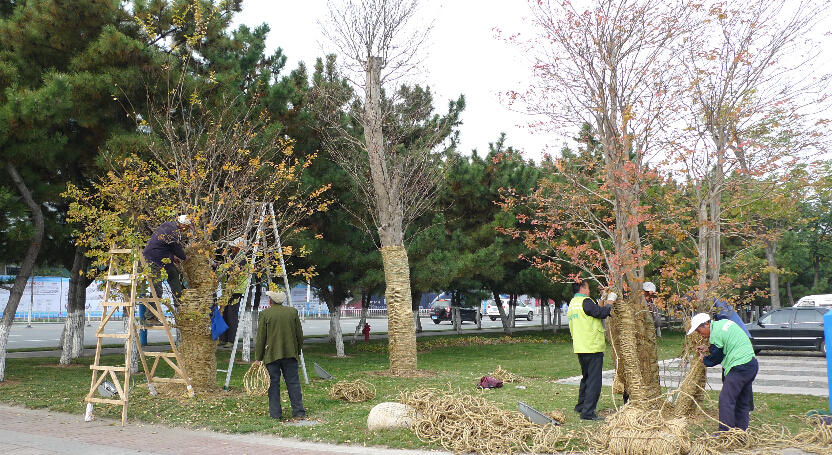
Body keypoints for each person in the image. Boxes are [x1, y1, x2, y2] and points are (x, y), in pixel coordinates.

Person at [688, 312, 758, 432]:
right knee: (742, 401)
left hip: (739, 367)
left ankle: (725, 433)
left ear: (706, 324)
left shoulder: (715, 333)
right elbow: (727, 342)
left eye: (700, 331)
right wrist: (709, 348)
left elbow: (717, 357)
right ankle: (740, 432)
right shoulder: (723, 324)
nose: (700, 334)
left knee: (726, 400)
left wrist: (704, 359)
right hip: (751, 365)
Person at [254, 290, 306, 420]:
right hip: (290, 354)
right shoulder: (292, 312)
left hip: (272, 355)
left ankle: (275, 414)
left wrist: (258, 358)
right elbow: (299, 335)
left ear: (271, 301)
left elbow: (261, 338)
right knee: (294, 383)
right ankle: (299, 412)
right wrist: (297, 351)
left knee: (272, 384)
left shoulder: (265, 314)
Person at [567, 279, 612, 421]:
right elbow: (601, 313)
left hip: (581, 347)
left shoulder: (573, 303)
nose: (589, 290)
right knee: (594, 381)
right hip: (592, 346)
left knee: (586, 378)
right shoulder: (585, 301)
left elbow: (593, 311)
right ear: (581, 288)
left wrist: (602, 299)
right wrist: (610, 301)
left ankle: (580, 406)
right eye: (587, 287)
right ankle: (587, 413)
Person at [142, 215, 191, 324]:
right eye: (187, 227)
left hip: (162, 260)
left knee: (174, 276)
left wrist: (171, 256)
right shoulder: (175, 233)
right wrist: (185, 257)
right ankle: (150, 318)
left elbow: (163, 244)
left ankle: (180, 306)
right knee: (157, 289)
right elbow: (177, 249)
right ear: (182, 225)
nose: (187, 230)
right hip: (154, 261)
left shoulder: (167, 225)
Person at [217, 237, 248, 348]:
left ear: (239, 248)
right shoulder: (231, 257)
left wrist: (225, 267)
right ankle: (223, 339)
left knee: (231, 316)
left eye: (234, 247)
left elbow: (236, 270)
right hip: (227, 290)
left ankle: (231, 340)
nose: (232, 248)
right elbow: (224, 268)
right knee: (223, 313)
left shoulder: (243, 258)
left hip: (236, 291)